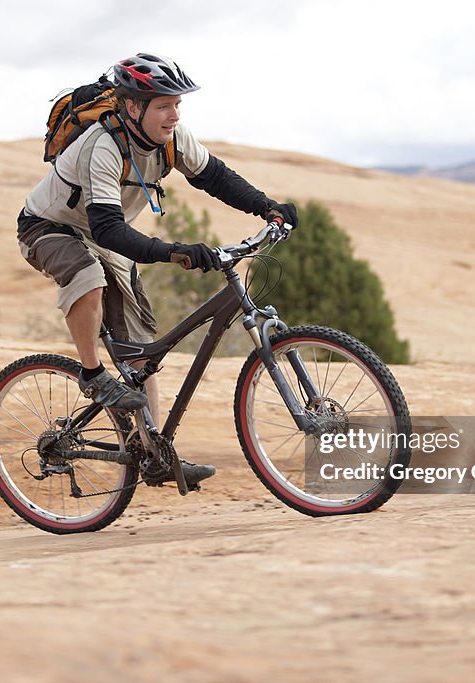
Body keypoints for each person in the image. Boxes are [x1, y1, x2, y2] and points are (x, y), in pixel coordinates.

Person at [17, 53, 297, 487]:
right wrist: (174, 251)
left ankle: (153, 455)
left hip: (102, 234)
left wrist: (268, 207)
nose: (175, 113)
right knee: (87, 274)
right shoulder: (102, 146)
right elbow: (109, 228)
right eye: (164, 105)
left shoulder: (172, 137)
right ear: (133, 107)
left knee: (141, 353)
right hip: (49, 227)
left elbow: (215, 176)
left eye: (177, 104)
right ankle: (92, 375)